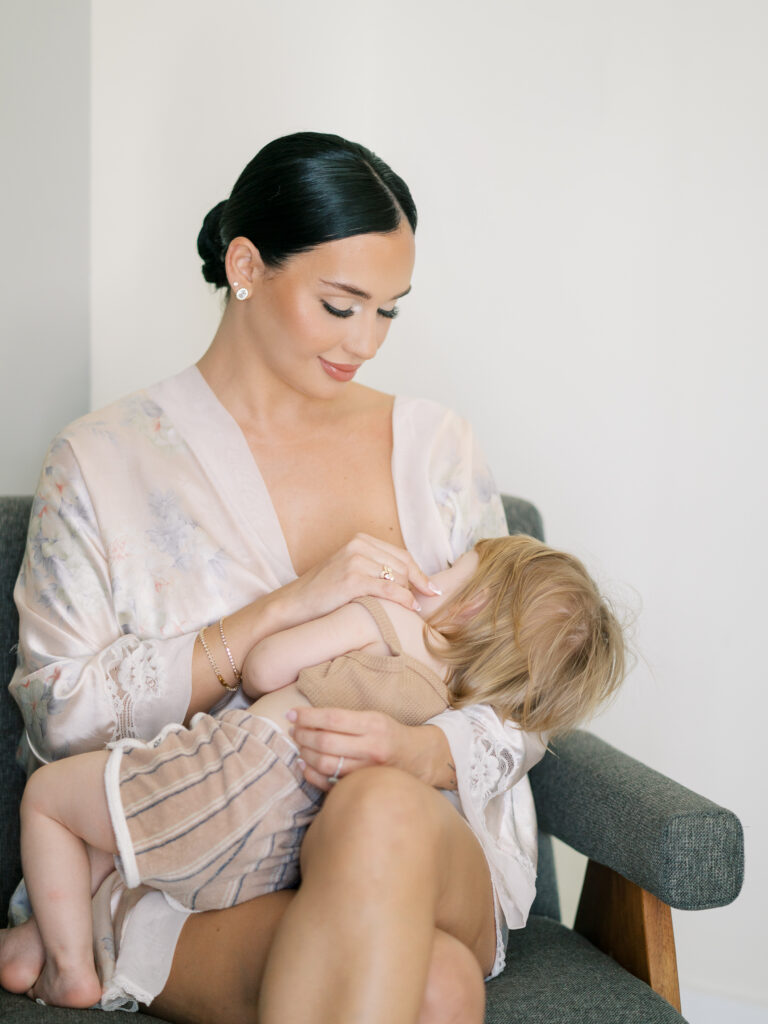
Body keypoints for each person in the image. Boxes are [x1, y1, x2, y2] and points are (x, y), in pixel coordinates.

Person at [0, 131, 579, 1024]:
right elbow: (58, 713)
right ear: (246, 265)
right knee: (436, 988)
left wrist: (418, 752)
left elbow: (526, 680)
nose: (369, 342)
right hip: (194, 870)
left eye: (390, 311)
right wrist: (287, 607)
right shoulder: (102, 462)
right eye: (341, 304)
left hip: (425, 842)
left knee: (379, 807)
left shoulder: (436, 450)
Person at [15, 534, 626, 1007]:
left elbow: (264, 669)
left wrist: (340, 609)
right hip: (280, 856)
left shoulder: (391, 622)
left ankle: (69, 970)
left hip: (234, 777)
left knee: (51, 798)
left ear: (477, 601)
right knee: (118, 821)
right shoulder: (457, 708)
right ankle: (37, 939)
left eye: (458, 562)